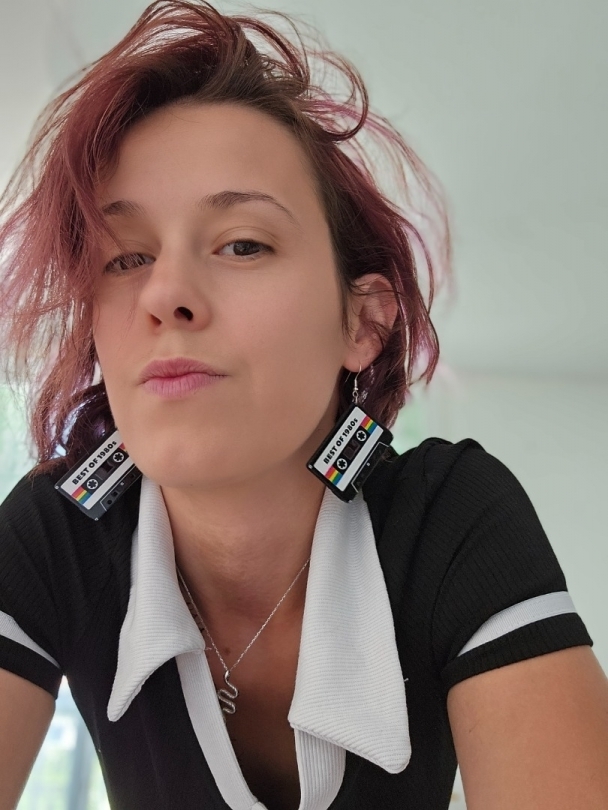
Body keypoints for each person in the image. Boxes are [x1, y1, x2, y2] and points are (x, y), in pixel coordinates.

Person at [0, 1, 607, 809]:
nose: (165, 293)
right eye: (127, 257)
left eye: (243, 244)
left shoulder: (452, 521)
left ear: (362, 324)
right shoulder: (55, 531)